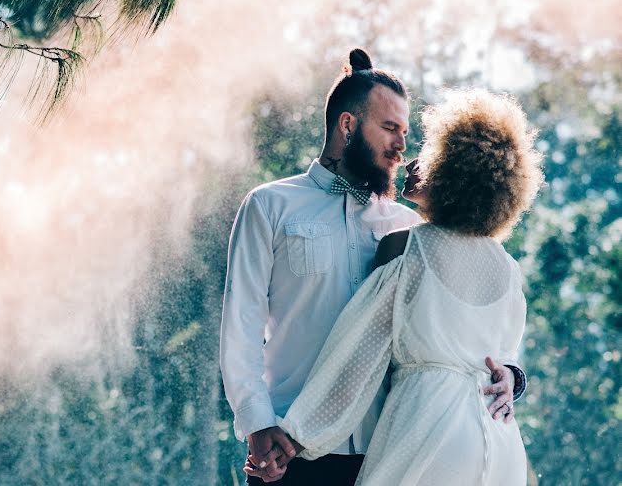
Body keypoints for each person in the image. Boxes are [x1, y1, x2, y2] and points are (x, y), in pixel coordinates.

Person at [219, 49, 527, 486]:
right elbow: (241, 327)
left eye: (405, 131)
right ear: (347, 125)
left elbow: (475, 324)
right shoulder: (269, 206)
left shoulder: (411, 229)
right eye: (389, 129)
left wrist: (512, 376)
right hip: (287, 448)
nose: (402, 145)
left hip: (389, 451)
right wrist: (257, 425)